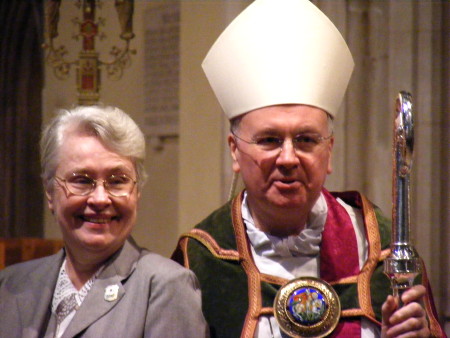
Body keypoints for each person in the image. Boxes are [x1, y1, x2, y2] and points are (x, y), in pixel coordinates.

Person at [172, 0, 444, 337]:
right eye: (269, 140)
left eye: (305, 140)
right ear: (235, 152)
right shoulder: (201, 259)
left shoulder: (381, 248)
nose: (288, 159)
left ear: (329, 152)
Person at [0, 105, 209, 337]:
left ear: (137, 191)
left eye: (117, 181)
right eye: (81, 180)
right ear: (49, 192)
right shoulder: (10, 284)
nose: (100, 198)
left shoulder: (166, 287)